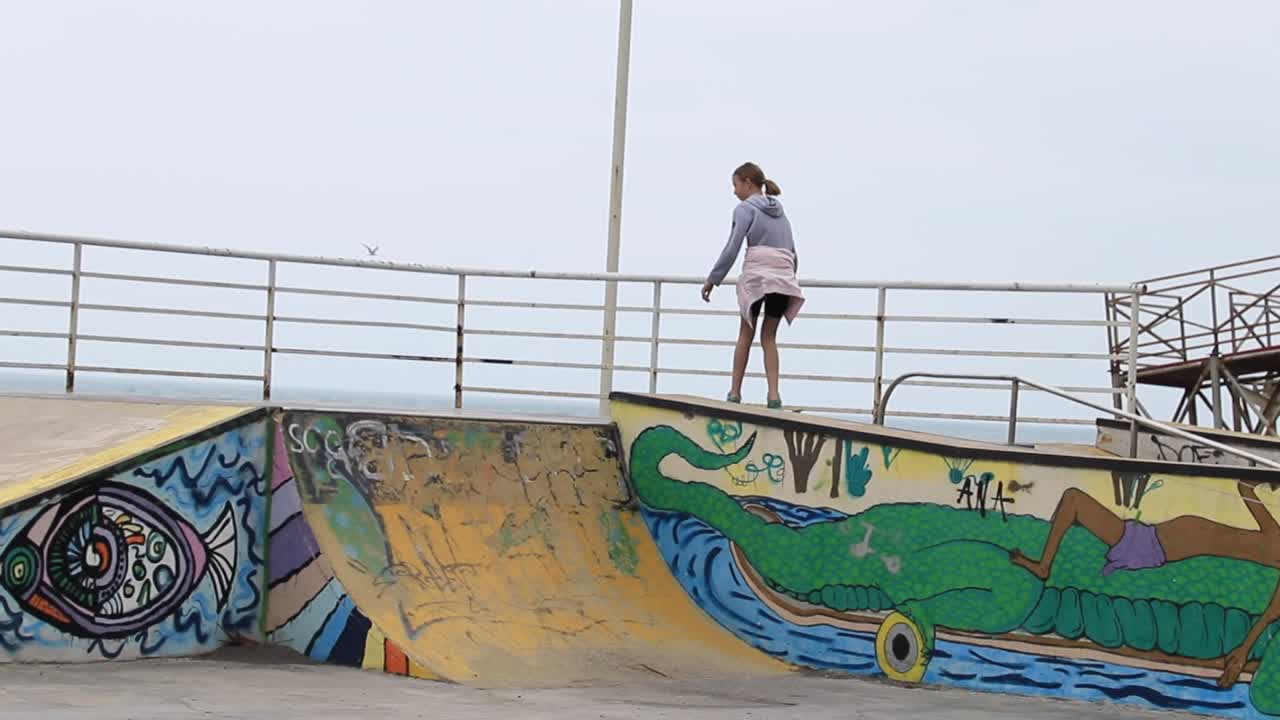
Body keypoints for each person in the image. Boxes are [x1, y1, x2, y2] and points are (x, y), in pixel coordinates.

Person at [1009, 481, 1280, 689]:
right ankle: (1044, 561)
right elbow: (1244, 487)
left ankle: (1043, 566)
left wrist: (1242, 653)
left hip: (1145, 545)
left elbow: (1271, 613)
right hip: (1148, 537)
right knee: (1072, 501)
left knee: (1073, 498)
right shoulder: (1274, 532)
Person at [700, 162, 804, 409]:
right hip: (783, 278)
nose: (734, 191)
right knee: (769, 337)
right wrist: (788, 275)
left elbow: (732, 247)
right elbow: (792, 251)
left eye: (735, 185)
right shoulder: (780, 210)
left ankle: (735, 393)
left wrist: (713, 279)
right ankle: (774, 395)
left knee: (745, 334)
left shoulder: (744, 209)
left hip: (757, 278)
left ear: (747, 182)